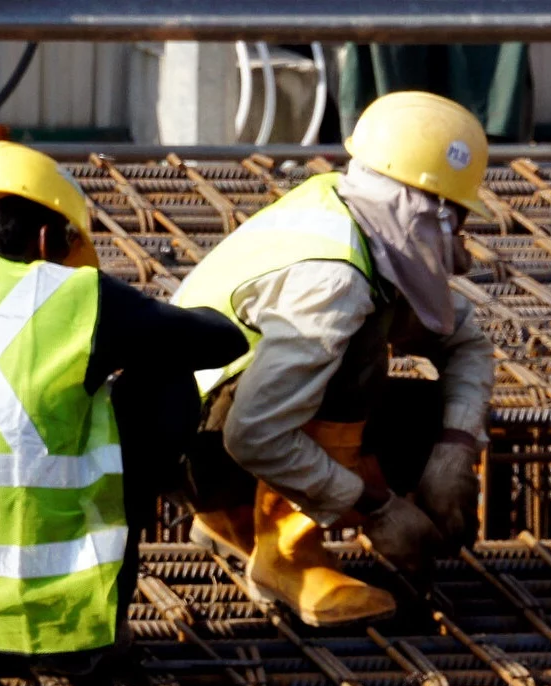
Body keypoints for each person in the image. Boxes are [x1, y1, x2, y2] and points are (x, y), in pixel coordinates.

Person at [0, 141, 247, 664]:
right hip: (62, 615)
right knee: (166, 375)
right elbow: (220, 342)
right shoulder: (78, 296)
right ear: (48, 239)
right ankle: (100, 621)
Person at [172, 90, 496, 626]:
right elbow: (253, 434)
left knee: (429, 414)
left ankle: (232, 520)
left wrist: (453, 453)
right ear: (428, 212)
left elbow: (467, 341)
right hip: (194, 448)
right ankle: (287, 555)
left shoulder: (347, 213)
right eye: (458, 219)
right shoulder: (335, 279)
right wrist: (379, 507)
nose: (459, 237)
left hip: (193, 427)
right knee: (358, 349)